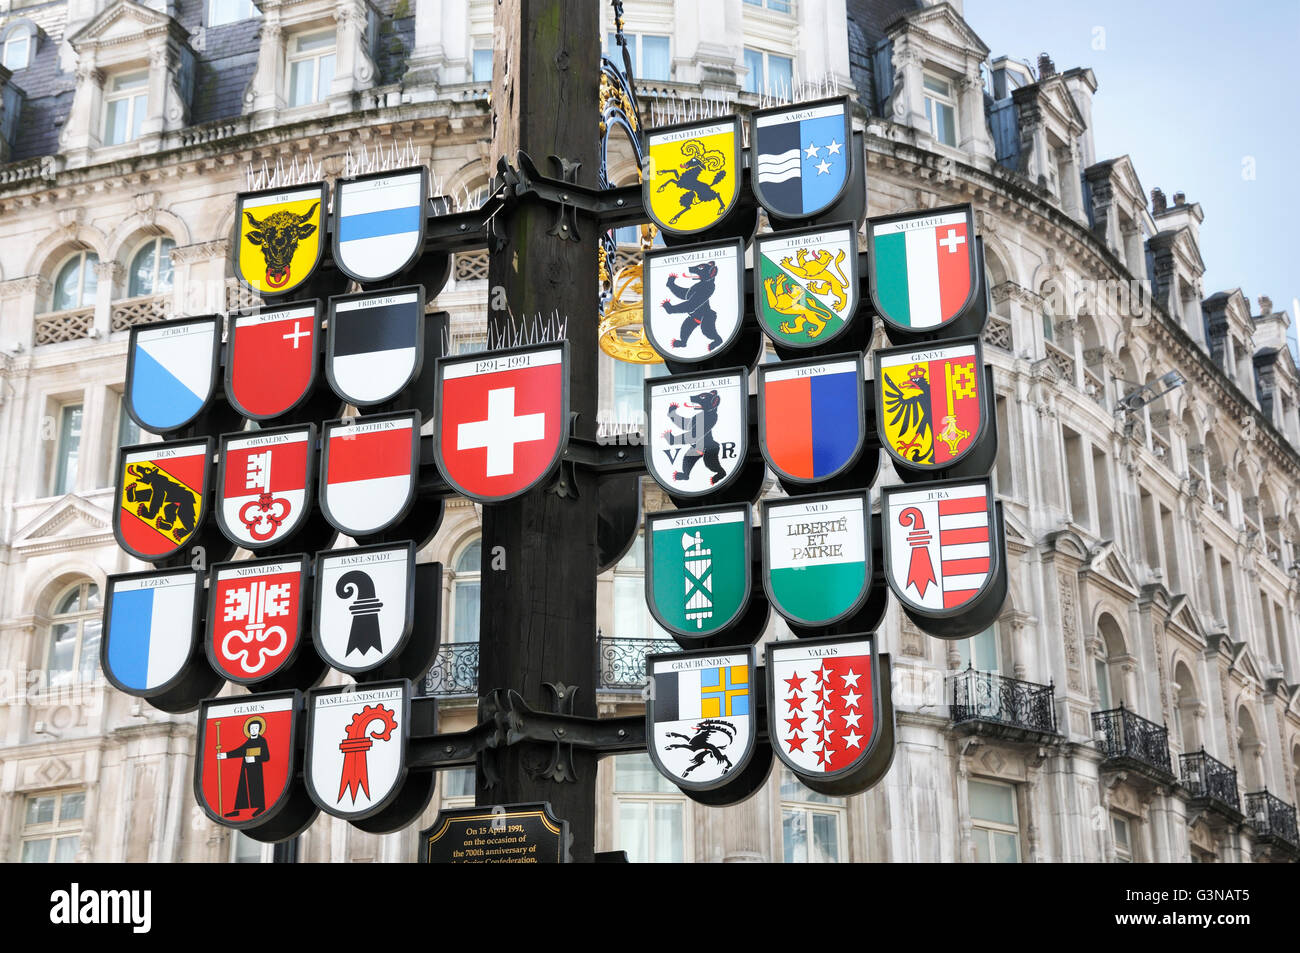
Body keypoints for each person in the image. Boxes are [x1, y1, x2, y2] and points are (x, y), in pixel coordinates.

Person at [217, 715, 270, 818]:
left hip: (256, 769)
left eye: (256, 728)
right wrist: (225, 755)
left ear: (259, 729)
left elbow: (266, 757)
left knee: (256, 787)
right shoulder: (249, 741)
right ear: (249, 730)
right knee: (242, 789)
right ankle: (237, 810)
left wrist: (254, 758)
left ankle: (261, 807)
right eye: (251, 728)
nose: (253, 730)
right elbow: (239, 751)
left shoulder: (262, 741)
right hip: (245, 768)